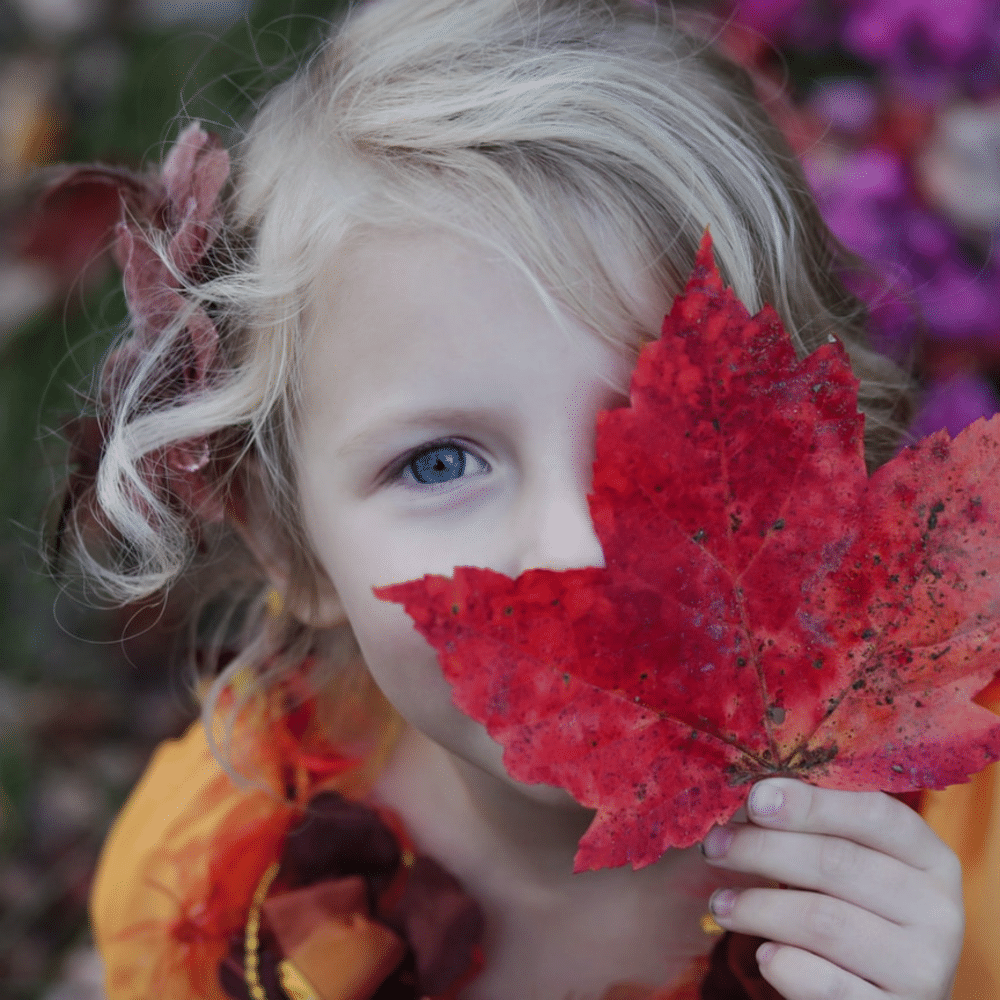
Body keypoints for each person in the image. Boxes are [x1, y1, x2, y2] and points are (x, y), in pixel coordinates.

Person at [49, 0, 995, 997]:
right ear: (287, 541)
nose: (576, 545)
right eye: (438, 463)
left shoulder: (960, 854)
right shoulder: (206, 893)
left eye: (670, 435)